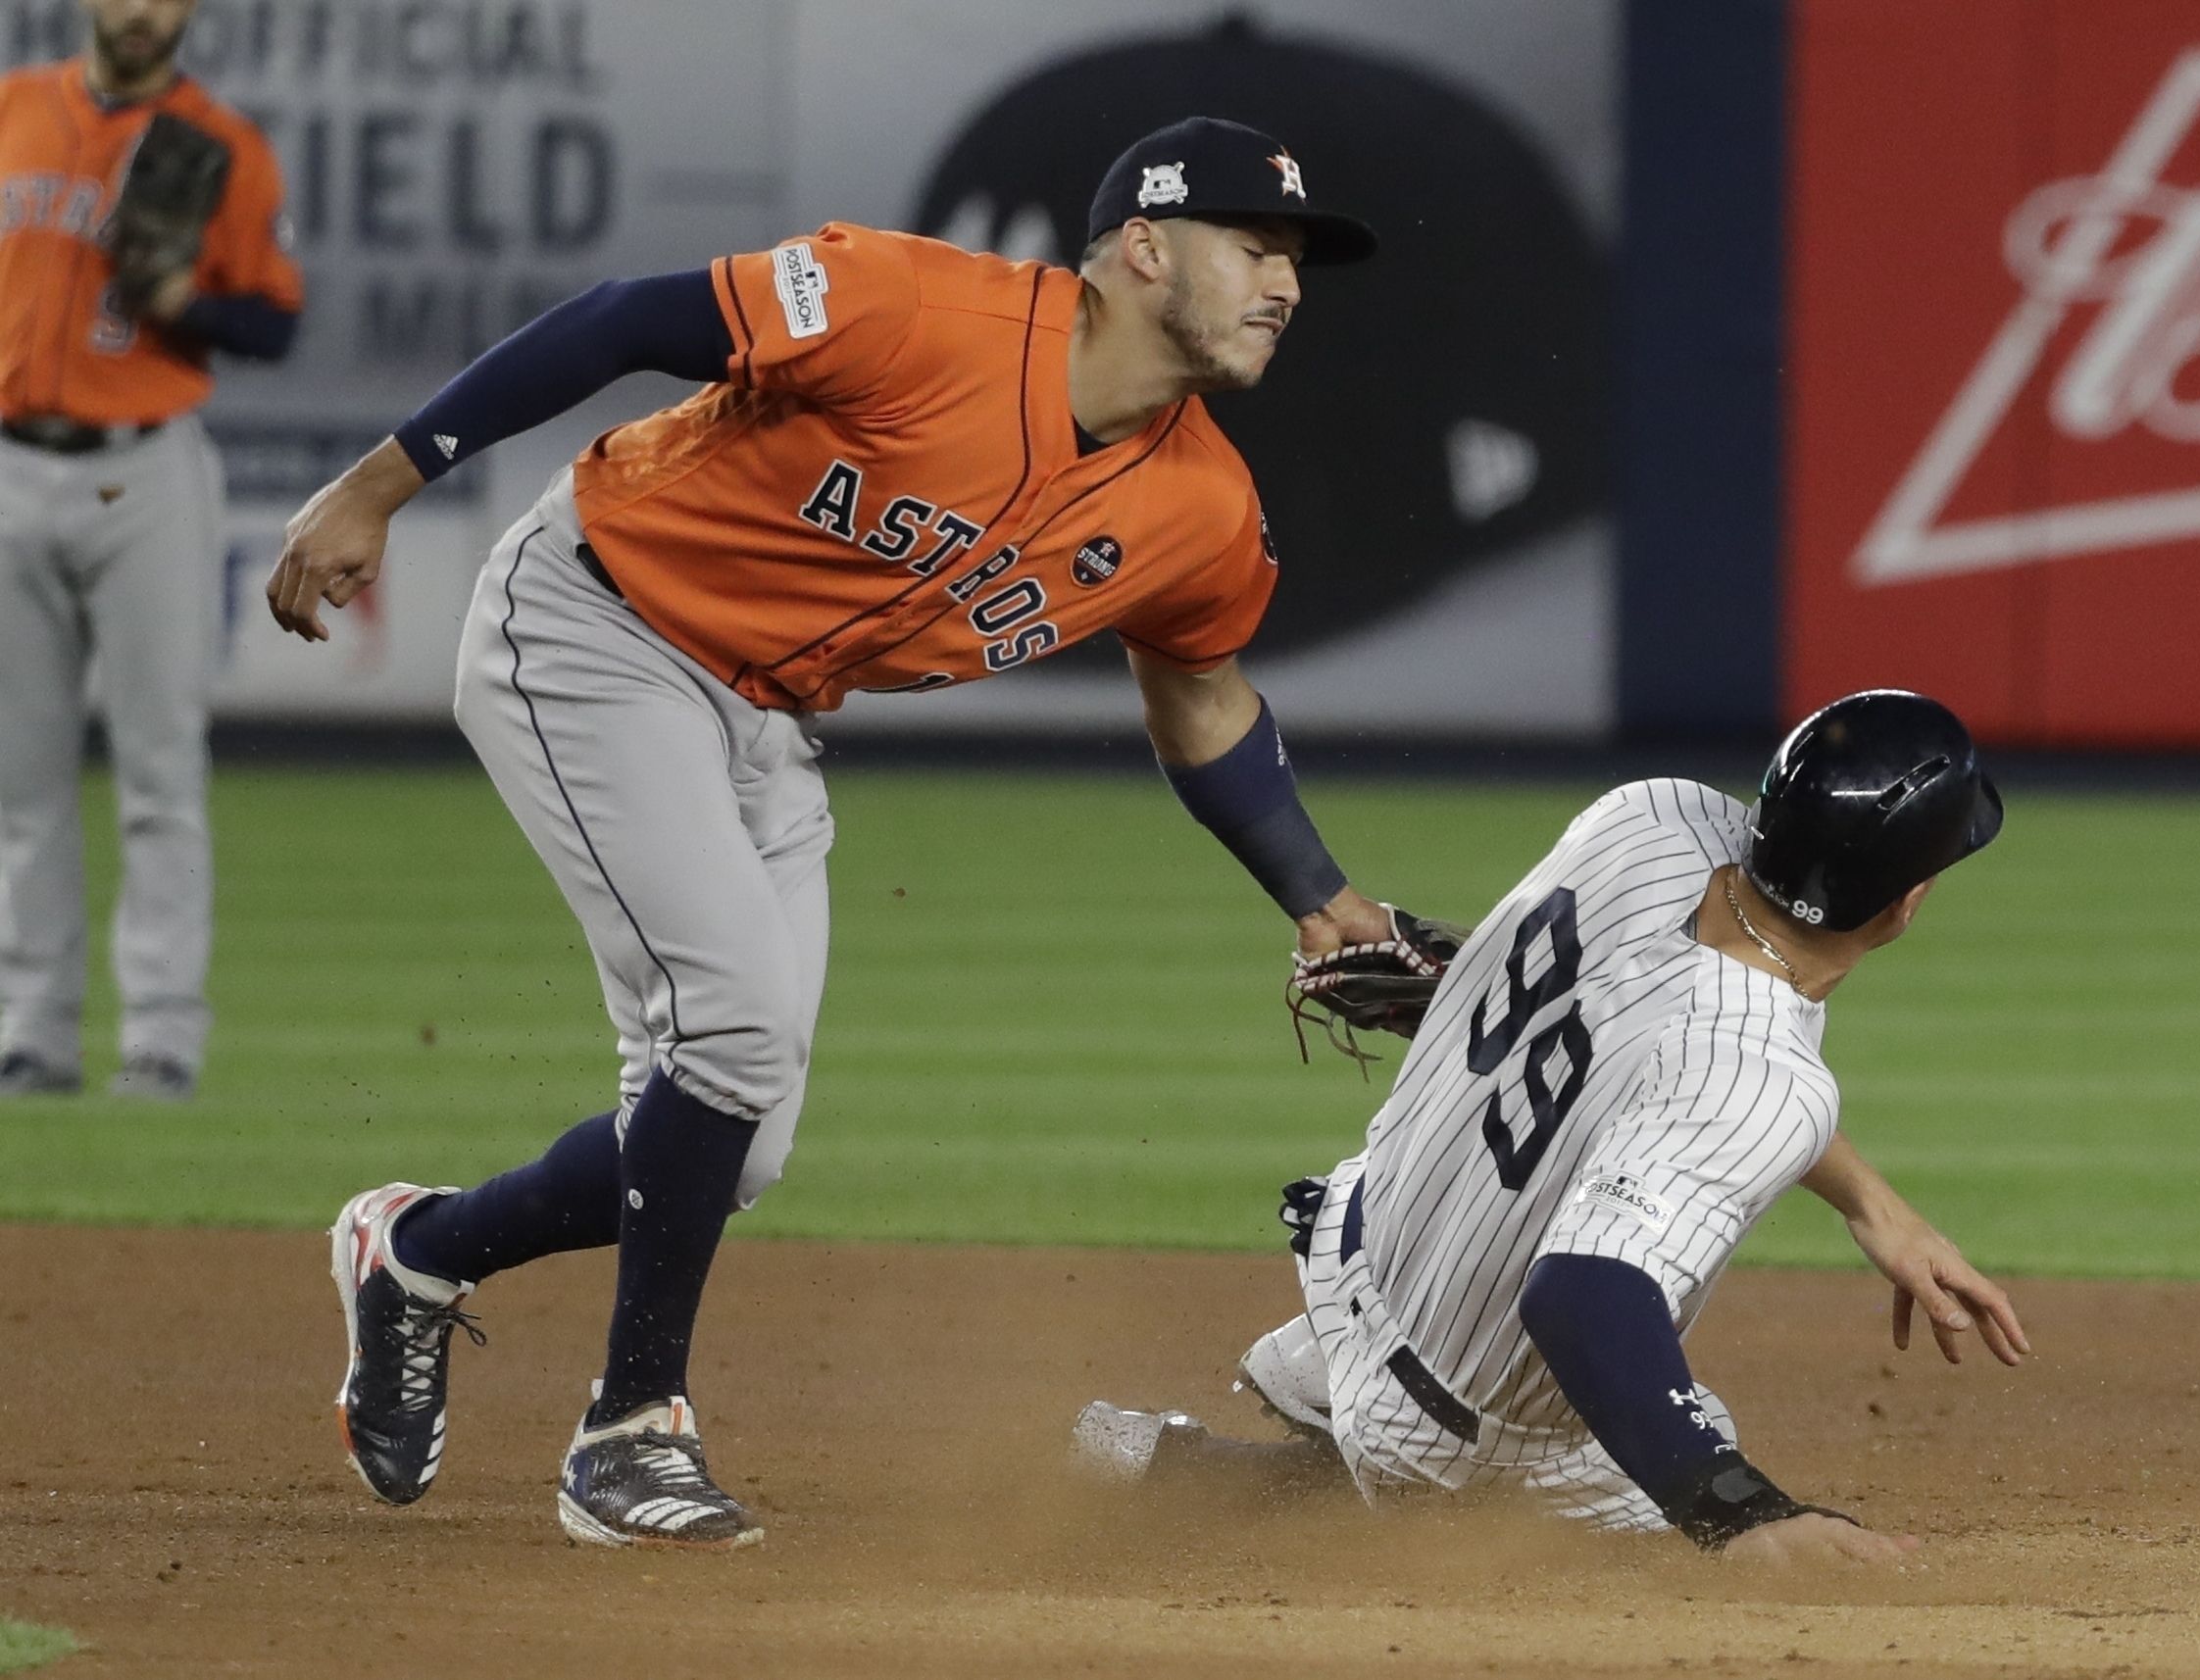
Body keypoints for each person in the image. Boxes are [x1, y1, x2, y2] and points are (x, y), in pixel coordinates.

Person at [275, 116, 1427, 1549]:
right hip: (594, 623)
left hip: (762, 711)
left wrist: (1315, 896)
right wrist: (385, 479)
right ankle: (630, 1433)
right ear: (1143, 245)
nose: (1285, 282)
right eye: (1254, 246)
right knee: (735, 1036)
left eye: (1297, 259)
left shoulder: (1197, 506)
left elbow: (1199, 698)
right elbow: (625, 319)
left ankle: (418, 1251)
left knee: (729, 1144)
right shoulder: (915, 307)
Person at [1074, 690, 2032, 1564]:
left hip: (1357, 1247)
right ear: (1906, 901)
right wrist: (1738, 1511)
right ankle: (1232, 1477)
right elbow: (1582, 1297)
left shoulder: (1652, 817)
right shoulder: (1763, 1076)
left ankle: (1132, 1457)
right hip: (1448, 1424)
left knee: (1654, 1422)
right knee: (1725, 1511)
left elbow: (1662, 1056)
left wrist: (1873, 1205)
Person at [0, 0, 302, 1100]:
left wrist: (185, 298)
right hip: (9, 465)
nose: (138, 12)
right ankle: (29, 1031)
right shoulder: (12, 111)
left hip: (149, 470)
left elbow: (276, 321)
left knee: (159, 772)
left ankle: (160, 1039)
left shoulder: (222, 146)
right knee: (18, 777)